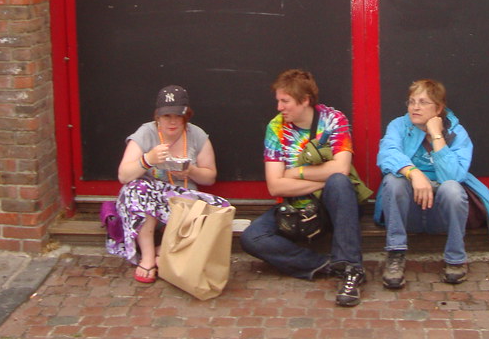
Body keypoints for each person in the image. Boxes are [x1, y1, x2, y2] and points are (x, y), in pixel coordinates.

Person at [240, 69, 367, 307]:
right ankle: (325, 264)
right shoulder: (276, 128)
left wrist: (296, 173)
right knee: (252, 237)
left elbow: (340, 169)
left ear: (305, 100)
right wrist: (322, 178)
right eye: (278, 100)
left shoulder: (333, 120)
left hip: (333, 206)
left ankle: (351, 268)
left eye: (285, 101)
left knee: (339, 183)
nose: (279, 107)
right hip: (295, 209)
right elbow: (275, 186)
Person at [375, 79, 489, 289]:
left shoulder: (457, 133)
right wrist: (414, 173)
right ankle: (396, 254)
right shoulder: (399, 125)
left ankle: (456, 258)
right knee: (393, 181)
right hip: (408, 211)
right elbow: (387, 154)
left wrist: (436, 135)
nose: (415, 107)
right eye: (412, 101)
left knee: (452, 188)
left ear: (439, 108)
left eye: (423, 102)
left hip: (441, 213)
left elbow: (454, 176)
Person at [107, 85, 230, 283]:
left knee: (220, 209)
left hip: (181, 198)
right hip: (146, 200)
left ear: (186, 116)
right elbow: (124, 175)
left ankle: (162, 251)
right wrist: (148, 159)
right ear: (158, 117)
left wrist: (191, 171)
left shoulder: (196, 135)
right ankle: (148, 257)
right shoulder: (146, 133)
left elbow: (210, 177)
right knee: (138, 189)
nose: (172, 121)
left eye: (177, 116)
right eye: (167, 116)